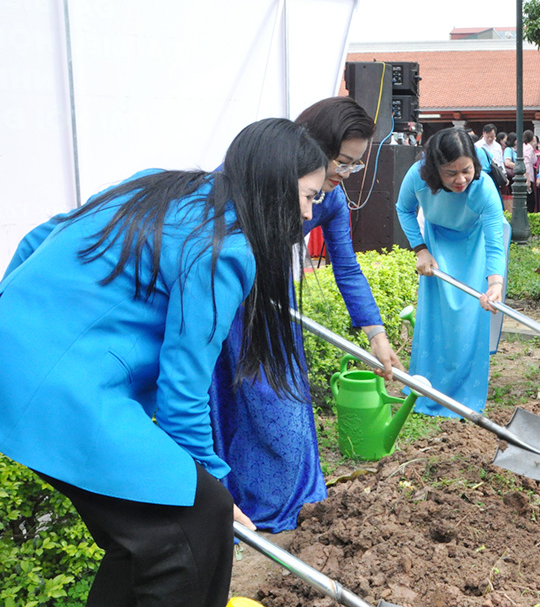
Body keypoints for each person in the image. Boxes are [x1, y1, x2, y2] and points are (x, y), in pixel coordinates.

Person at [0, 119, 327, 606]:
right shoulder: (228, 248)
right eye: (307, 195)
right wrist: (211, 483)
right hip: (62, 391)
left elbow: (41, 235)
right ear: (274, 186)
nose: (307, 213)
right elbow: (184, 386)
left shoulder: (160, 185)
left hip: (17, 355)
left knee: (153, 537)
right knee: (197, 519)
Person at [210, 97, 403, 532]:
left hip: (275, 311)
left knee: (281, 410)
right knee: (227, 405)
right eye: (341, 161)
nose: (344, 175)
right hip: (228, 302)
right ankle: (229, 507)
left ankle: (282, 502)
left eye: (354, 166)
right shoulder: (252, 176)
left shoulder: (331, 201)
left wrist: (376, 333)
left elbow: (346, 265)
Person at [396, 127, 510, 416]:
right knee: (436, 315)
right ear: (435, 170)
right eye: (450, 173)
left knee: (469, 315)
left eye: (466, 170)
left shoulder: (483, 187)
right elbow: (403, 209)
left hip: (474, 244)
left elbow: (495, 240)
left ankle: (463, 392)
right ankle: (427, 384)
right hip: (436, 243)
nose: (460, 180)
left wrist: (495, 283)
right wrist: (420, 248)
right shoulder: (418, 176)